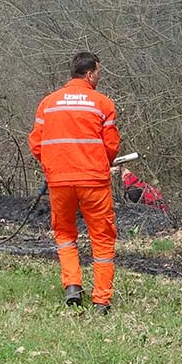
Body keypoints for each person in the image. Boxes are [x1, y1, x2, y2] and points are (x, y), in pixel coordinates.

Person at [29, 52, 120, 315]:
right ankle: (101, 300)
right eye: (98, 73)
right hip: (94, 180)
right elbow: (111, 145)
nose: (99, 77)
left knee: (65, 233)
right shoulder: (102, 104)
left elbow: (36, 144)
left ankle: (72, 285)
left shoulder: (48, 103)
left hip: (59, 180)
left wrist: (54, 165)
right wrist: (102, 162)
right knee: (102, 238)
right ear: (90, 74)